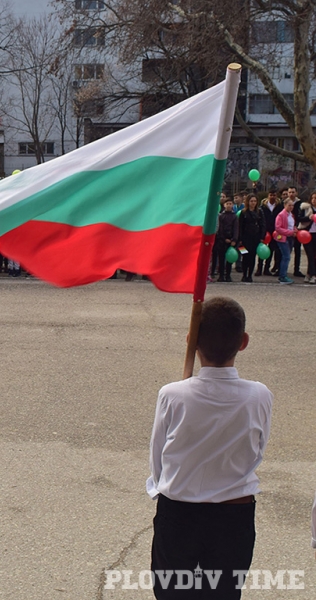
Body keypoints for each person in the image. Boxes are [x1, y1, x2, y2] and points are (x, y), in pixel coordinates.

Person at [147, 296, 272, 599]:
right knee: (224, 594)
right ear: (243, 342)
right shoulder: (259, 395)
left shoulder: (173, 395)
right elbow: (257, 451)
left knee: (172, 593)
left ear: (191, 340)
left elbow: (158, 458)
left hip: (178, 512)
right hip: (234, 514)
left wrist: (171, 487)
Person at [238, 195, 263, 283]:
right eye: (251, 201)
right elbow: (240, 226)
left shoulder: (259, 212)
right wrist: (240, 238)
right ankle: (244, 274)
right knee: (245, 257)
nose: (253, 203)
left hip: (255, 238)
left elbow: (263, 225)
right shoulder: (243, 212)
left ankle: (249, 275)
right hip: (245, 239)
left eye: (254, 201)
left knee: (252, 257)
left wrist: (261, 237)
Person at [214, 197, 238, 282]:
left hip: (231, 241)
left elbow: (235, 229)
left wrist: (234, 240)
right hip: (222, 241)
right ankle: (221, 275)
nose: (229, 205)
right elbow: (220, 229)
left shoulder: (234, 217)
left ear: (233, 205)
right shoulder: (221, 216)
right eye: (227, 204)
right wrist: (224, 239)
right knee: (221, 259)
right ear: (224, 205)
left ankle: (228, 275)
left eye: (230, 204)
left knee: (229, 259)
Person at [274, 198, 297, 284]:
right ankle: (282, 276)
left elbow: (291, 225)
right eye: (289, 205)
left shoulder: (291, 215)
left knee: (286, 256)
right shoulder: (281, 215)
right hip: (283, 238)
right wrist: (290, 232)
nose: (291, 207)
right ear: (285, 205)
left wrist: (294, 229)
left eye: (292, 205)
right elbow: (278, 228)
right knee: (286, 256)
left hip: (290, 237)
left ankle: (283, 274)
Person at [260, 191, 283, 276]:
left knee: (272, 250)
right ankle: (259, 269)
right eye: (271, 195)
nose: (272, 197)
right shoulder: (262, 206)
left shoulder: (280, 206)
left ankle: (267, 268)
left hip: (275, 232)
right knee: (262, 250)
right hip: (264, 232)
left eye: (274, 195)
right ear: (268, 196)